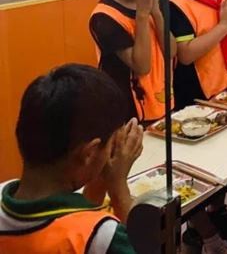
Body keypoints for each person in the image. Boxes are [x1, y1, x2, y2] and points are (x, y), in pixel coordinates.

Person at [0, 64, 142, 253]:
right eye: (110, 146)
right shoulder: (104, 237)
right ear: (90, 152)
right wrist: (118, 188)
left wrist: (99, 179)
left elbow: (71, 214)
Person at [89, 0, 174, 124]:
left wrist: (156, 12)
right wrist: (142, 14)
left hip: (162, 100)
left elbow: (171, 52)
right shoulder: (103, 17)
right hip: (129, 111)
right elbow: (142, 66)